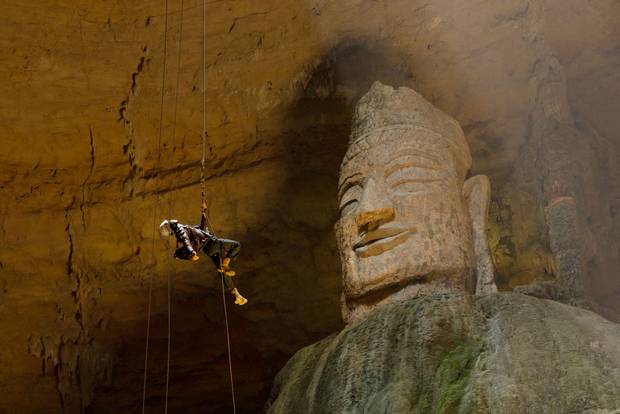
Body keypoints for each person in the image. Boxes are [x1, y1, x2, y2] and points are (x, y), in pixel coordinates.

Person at [159, 204, 247, 305]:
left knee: (221, 271)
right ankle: (226, 264)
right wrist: (192, 252)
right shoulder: (180, 230)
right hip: (211, 244)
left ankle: (237, 295)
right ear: (170, 228)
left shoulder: (188, 228)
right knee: (236, 245)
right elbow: (185, 240)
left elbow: (202, 227)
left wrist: (203, 211)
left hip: (209, 249)